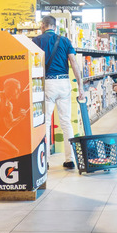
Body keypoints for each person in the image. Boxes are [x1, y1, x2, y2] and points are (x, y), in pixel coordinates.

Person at [33, 15, 85, 169]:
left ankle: (45, 161)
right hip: (63, 83)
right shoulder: (65, 41)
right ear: (55, 26)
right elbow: (74, 63)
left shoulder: (36, 40)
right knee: (66, 122)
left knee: (46, 123)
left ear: (43, 25)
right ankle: (70, 160)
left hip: (46, 83)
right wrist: (80, 86)